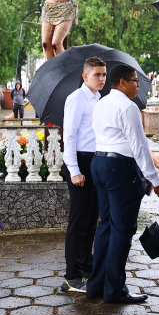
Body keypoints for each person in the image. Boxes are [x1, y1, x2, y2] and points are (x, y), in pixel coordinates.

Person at [88, 63, 159, 303]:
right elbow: (139, 147)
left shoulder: (101, 103)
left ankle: (96, 286)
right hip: (120, 168)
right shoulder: (128, 107)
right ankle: (115, 289)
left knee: (106, 226)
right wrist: (156, 180)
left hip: (99, 163)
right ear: (122, 82)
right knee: (122, 230)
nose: (138, 85)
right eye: (134, 80)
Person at [60, 56, 107, 294]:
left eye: (104, 74)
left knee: (91, 220)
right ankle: (71, 276)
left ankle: (87, 269)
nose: (101, 78)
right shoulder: (77, 98)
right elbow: (69, 135)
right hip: (80, 161)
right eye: (97, 74)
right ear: (85, 76)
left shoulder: (98, 98)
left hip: (95, 161)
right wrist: (74, 170)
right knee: (78, 222)